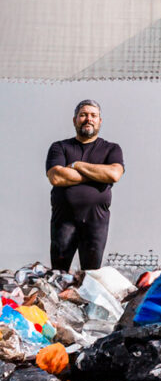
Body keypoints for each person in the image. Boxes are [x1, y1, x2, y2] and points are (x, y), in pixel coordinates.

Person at [45, 100, 125, 271]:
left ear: (99, 121)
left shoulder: (111, 149)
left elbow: (113, 174)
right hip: (64, 220)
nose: (88, 119)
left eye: (93, 115)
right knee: (59, 273)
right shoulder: (60, 147)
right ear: (75, 120)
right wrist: (98, 175)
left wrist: (77, 165)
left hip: (96, 221)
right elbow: (57, 177)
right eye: (83, 115)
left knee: (91, 275)